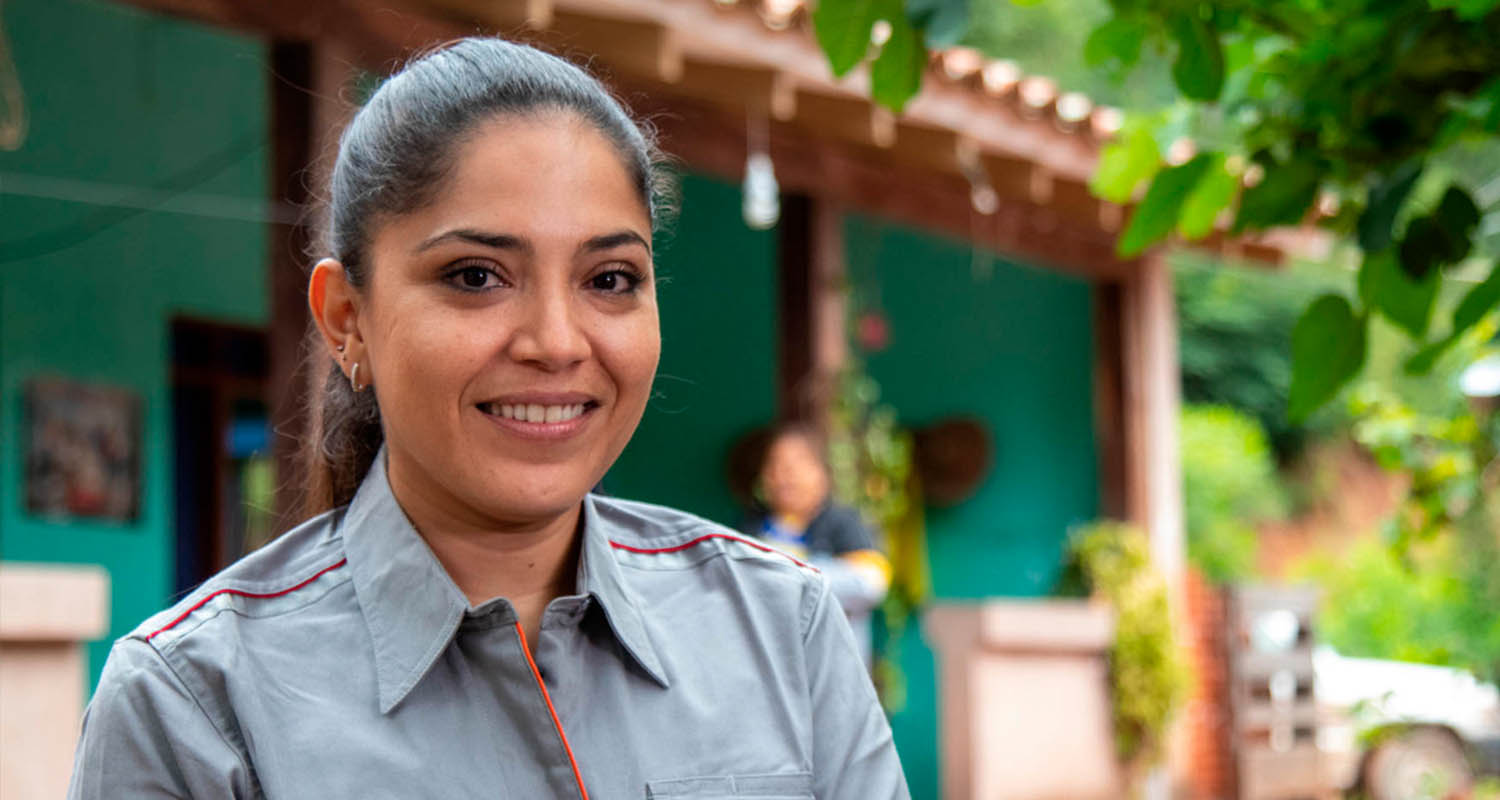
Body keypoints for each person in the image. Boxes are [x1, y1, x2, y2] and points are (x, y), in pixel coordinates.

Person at [68, 38, 908, 799]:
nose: (556, 341)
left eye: (610, 278)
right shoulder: (193, 705)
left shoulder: (780, 631)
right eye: (476, 276)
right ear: (346, 319)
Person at [743, 424, 892, 665]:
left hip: (833, 669)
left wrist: (783, 575)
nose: (783, 475)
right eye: (774, 465)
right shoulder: (750, 528)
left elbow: (872, 581)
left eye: (794, 466)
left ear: (821, 472)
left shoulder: (843, 522)